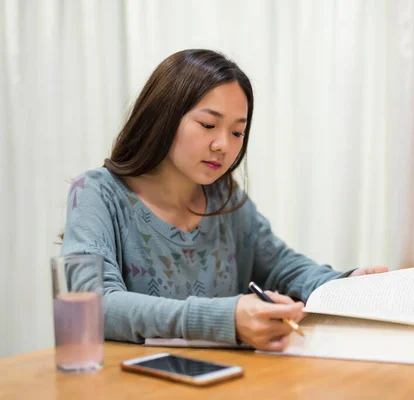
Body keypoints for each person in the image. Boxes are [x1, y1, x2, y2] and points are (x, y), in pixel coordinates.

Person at [61, 49, 388, 351]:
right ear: (162, 117)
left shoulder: (226, 198)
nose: (223, 145)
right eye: (208, 125)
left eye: (237, 132)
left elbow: (284, 268)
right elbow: (92, 305)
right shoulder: (97, 193)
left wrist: (344, 284)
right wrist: (224, 318)